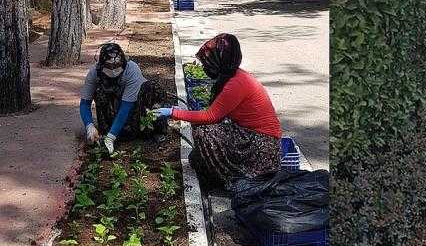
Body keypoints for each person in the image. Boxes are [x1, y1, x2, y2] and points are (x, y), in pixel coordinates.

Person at [154, 33, 282, 189]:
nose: (205, 67)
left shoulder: (236, 83)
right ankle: (224, 170)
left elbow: (211, 116)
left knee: (204, 131)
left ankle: (227, 179)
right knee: (198, 158)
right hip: (252, 136)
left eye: (208, 63)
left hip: (261, 148)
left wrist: (172, 112)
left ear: (219, 60)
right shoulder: (232, 76)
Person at [79, 43, 171, 155]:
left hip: (136, 108)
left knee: (152, 88)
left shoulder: (132, 69)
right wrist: (89, 125)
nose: (113, 70)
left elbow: (126, 106)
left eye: (116, 66)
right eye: (109, 67)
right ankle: (107, 130)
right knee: (99, 91)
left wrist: (112, 136)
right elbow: (85, 103)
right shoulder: (94, 73)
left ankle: (154, 131)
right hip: (114, 108)